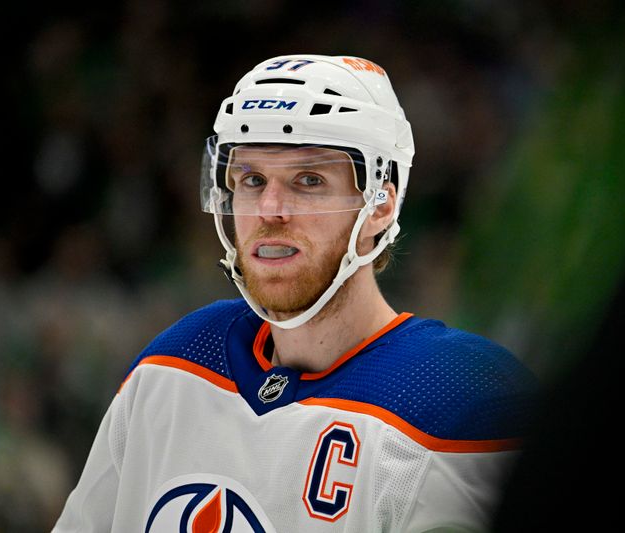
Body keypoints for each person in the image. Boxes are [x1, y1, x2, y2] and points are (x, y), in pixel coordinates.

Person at [53, 54, 539, 532]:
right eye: (251, 179)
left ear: (380, 206)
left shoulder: (459, 398)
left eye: (308, 180)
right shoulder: (174, 366)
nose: (270, 209)